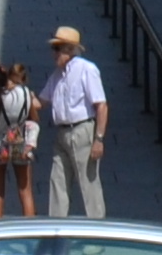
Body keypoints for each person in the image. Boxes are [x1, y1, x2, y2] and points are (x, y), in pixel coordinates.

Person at [42, 24, 111, 217]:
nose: (54, 53)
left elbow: (101, 105)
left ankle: (97, 232)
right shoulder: (57, 76)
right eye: (53, 48)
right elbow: (40, 102)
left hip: (82, 130)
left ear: (70, 49)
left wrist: (99, 138)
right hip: (62, 132)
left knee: (89, 185)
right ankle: (56, 229)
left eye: (58, 48)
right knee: (58, 182)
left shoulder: (86, 69)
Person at [0, 57, 38, 218]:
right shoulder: (25, 93)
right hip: (19, 140)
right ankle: (30, 229)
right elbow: (34, 118)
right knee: (25, 190)